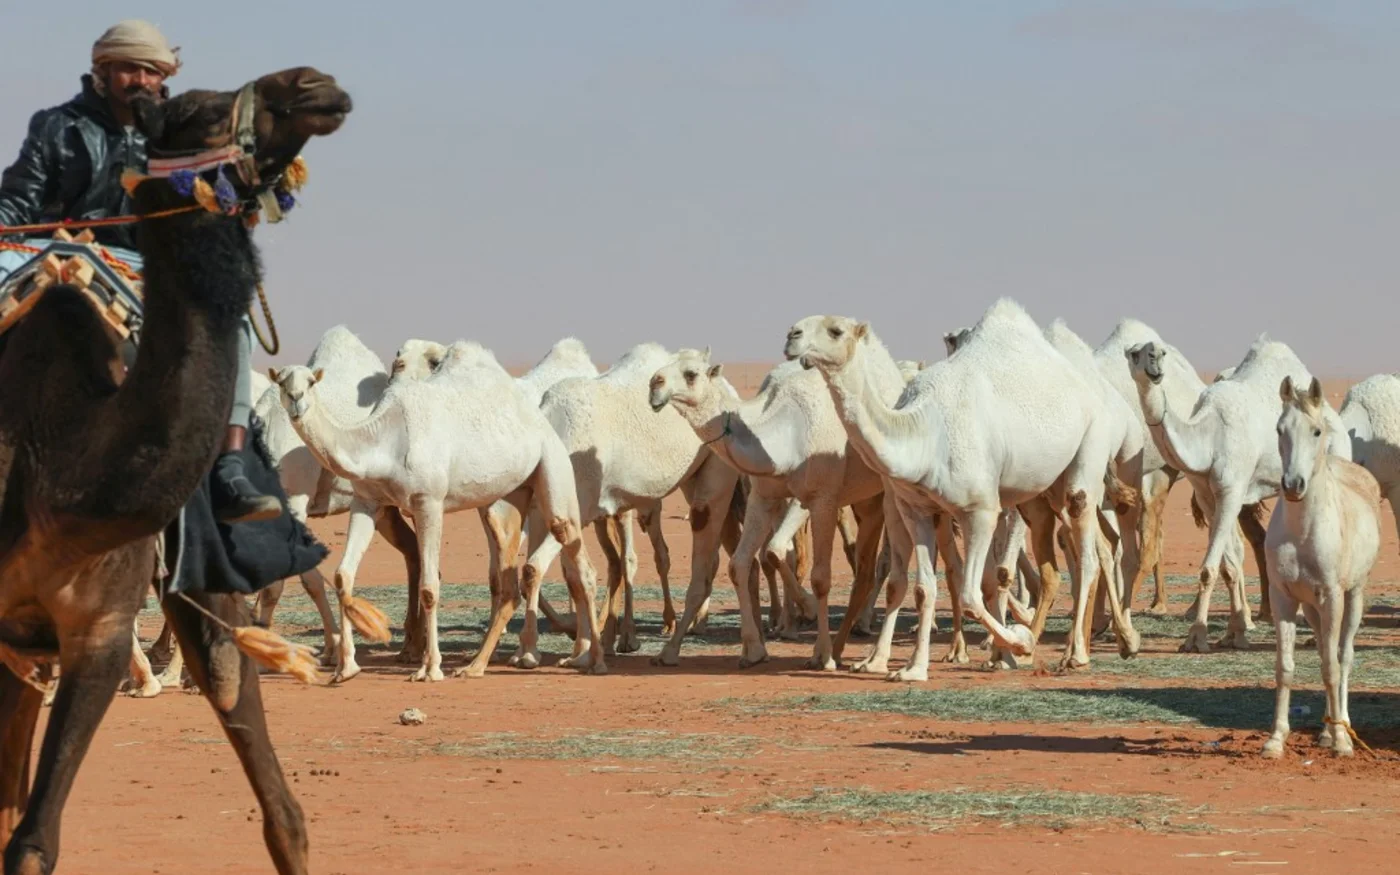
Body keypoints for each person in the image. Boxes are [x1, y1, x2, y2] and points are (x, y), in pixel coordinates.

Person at [0, 20, 281, 524]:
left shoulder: (179, 138)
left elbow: (208, 199)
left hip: (145, 268)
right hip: (50, 254)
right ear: (103, 71)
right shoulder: (57, 127)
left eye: (153, 71)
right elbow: (20, 199)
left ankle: (229, 469)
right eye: (130, 68)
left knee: (230, 321)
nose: (142, 80)